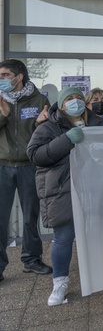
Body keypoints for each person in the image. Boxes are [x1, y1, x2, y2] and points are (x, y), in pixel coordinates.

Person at [27, 87, 103, 305]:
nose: (75, 102)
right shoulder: (49, 127)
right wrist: (67, 139)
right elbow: (35, 155)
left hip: (95, 188)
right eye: (69, 99)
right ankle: (59, 284)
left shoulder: (98, 124)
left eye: (79, 98)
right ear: (61, 105)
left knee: (100, 233)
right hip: (63, 190)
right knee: (63, 238)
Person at [0, 59, 52, 284]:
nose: (1, 79)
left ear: (18, 77)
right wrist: (3, 115)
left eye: (4, 75)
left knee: (31, 215)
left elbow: (44, 133)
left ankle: (31, 259)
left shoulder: (40, 100)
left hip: (29, 166)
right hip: (2, 166)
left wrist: (40, 123)